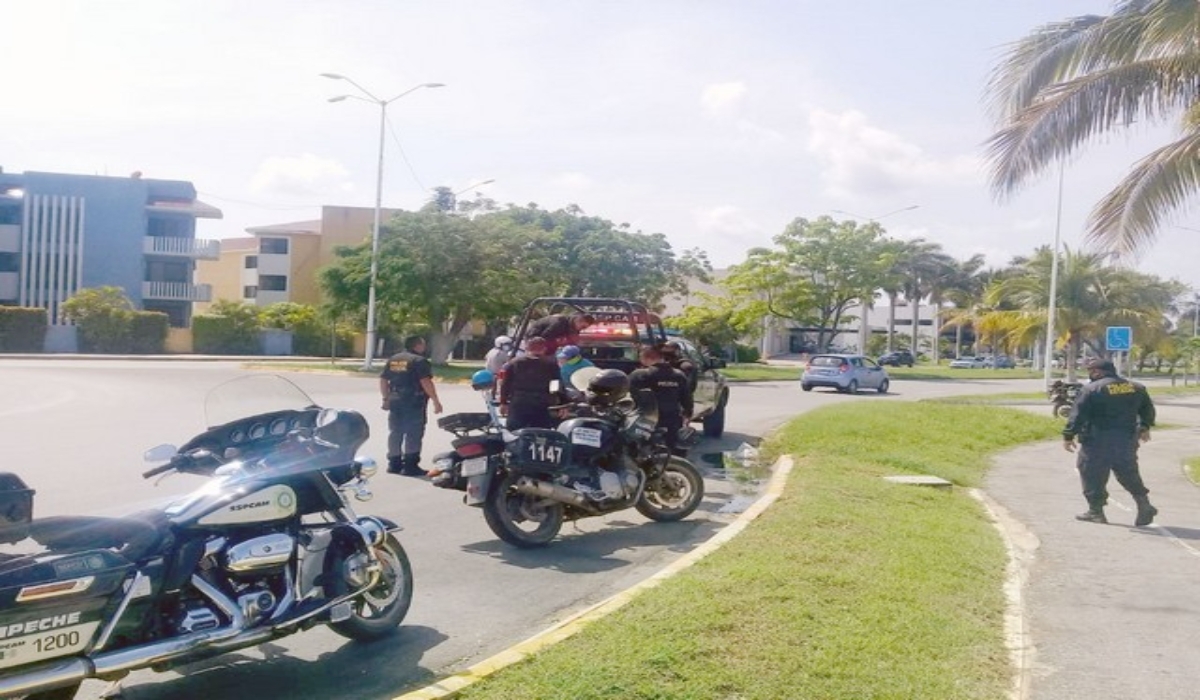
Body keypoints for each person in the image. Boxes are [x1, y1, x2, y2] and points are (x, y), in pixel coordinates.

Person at [1063, 357, 1157, 525]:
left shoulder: (1091, 389)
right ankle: (1144, 504)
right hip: (1126, 440)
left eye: (1090, 372)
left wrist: (1068, 435)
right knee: (1128, 473)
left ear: (1097, 372)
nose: (1090, 375)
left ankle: (1096, 511)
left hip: (1097, 440)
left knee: (1091, 473)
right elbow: (1147, 410)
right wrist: (1144, 427)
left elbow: (1078, 415)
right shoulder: (1136, 387)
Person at [379, 336, 443, 476]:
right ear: (417, 345)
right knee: (413, 434)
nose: (424, 347)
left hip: (395, 400)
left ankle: (394, 464)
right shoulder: (419, 360)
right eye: (423, 344)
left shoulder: (394, 359)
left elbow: (384, 380)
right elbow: (425, 381)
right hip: (414, 401)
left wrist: (385, 398)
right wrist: (435, 401)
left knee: (395, 432)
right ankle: (410, 465)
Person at [629, 345, 694, 456]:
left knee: (639, 451)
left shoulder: (639, 375)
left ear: (646, 358)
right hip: (672, 419)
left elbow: (628, 395)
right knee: (673, 451)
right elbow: (686, 399)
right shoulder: (679, 375)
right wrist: (687, 416)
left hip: (646, 420)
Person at [498, 336, 561, 430]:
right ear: (544, 349)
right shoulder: (550, 364)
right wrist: (559, 403)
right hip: (541, 403)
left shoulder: (515, 362)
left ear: (527, 348)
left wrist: (503, 402)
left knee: (515, 433)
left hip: (519, 403)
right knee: (540, 433)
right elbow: (556, 385)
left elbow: (505, 384)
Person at [526, 312, 595, 354]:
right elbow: (545, 337)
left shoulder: (573, 327)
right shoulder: (560, 322)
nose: (582, 329)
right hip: (534, 339)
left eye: (584, 328)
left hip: (545, 341)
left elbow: (572, 341)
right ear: (578, 320)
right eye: (583, 327)